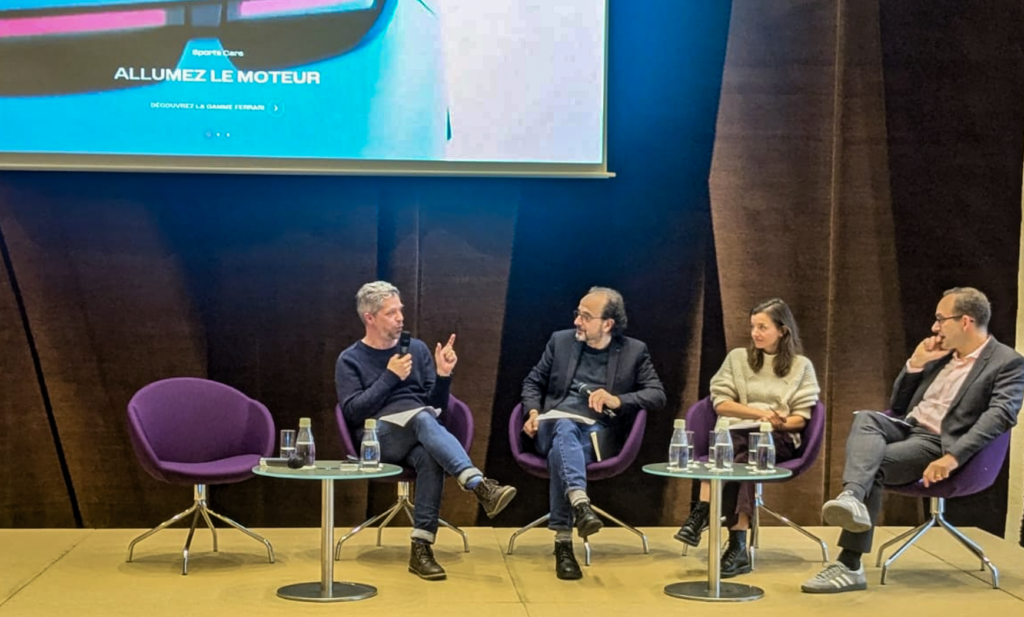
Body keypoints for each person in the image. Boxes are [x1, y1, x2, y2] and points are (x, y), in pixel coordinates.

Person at [802, 287, 1024, 593]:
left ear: (966, 322)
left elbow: (999, 417)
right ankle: (852, 497)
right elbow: (900, 404)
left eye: (940, 319)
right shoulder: (940, 354)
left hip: (937, 443)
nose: (934, 327)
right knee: (865, 417)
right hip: (907, 427)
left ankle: (850, 564)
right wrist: (916, 364)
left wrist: (953, 457)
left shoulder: (1007, 363)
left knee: (873, 465)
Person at [335, 281, 517, 581]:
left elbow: (437, 406)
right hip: (377, 440)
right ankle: (477, 484)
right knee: (421, 418)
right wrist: (390, 377)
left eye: (400, 311)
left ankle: (421, 549)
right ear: (370, 318)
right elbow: (353, 411)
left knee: (428, 452)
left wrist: (443, 376)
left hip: (420, 430)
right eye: (391, 313)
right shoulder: (350, 359)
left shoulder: (417, 350)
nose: (400, 318)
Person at [521, 286, 666, 580]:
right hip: (551, 425)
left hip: (596, 437)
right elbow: (532, 383)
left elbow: (657, 395)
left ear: (607, 324)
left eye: (586, 317)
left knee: (560, 455)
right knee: (563, 426)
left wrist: (617, 400)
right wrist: (533, 412)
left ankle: (564, 542)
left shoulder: (634, 351)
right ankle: (579, 504)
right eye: (578, 314)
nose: (577, 321)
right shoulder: (560, 342)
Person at [674, 298, 820, 578]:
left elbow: (800, 419)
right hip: (738, 435)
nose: (755, 333)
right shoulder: (738, 359)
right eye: (753, 326)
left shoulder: (801, 366)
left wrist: (771, 423)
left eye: (763, 327)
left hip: (778, 440)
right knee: (736, 450)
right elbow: (721, 404)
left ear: (783, 330)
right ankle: (738, 547)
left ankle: (702, 512)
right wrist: (760, 414)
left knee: (739, 450)